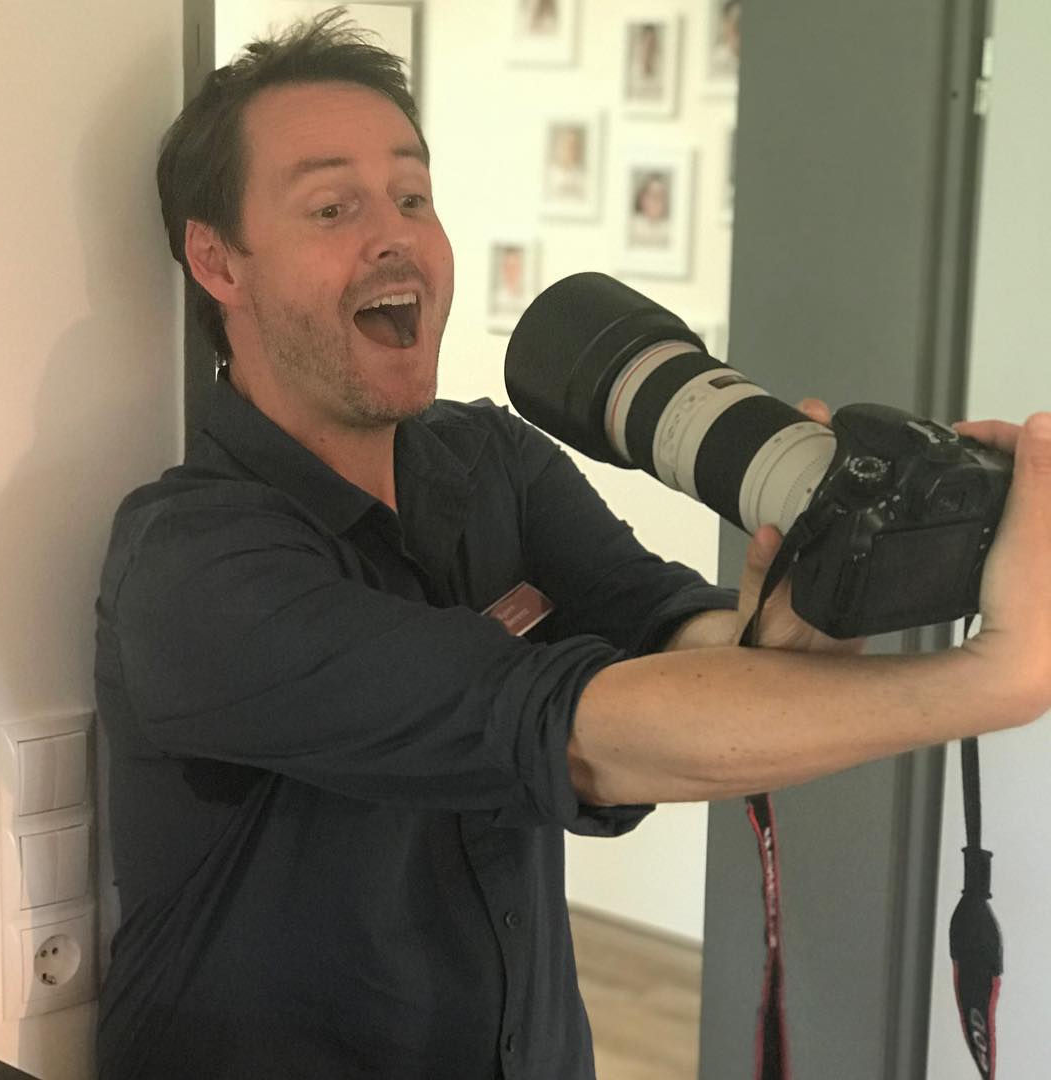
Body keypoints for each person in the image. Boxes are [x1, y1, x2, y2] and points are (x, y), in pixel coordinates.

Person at [94, 10, 1051, 1080]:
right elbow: (574, 732)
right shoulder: (190, 568)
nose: (395, 235)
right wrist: (993, 681)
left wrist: (791, 619)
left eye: (413, 197)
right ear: (218, 261)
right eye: (332, 206)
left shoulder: (490, 461)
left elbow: (662, 627)